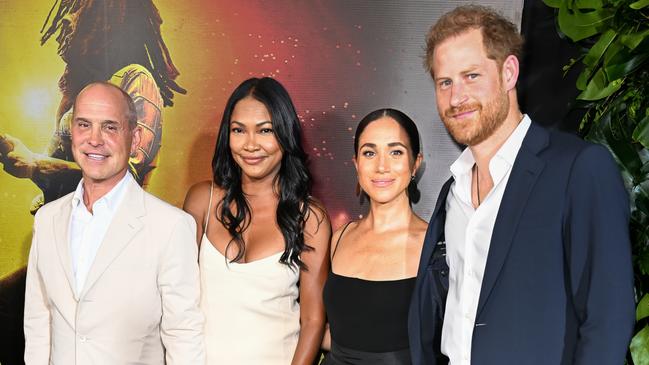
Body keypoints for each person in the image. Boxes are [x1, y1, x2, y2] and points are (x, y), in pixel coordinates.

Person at [408, 5, 635, 365]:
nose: (456, 98)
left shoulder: (578, 169)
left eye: (471, 76)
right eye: (445, 82)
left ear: (509, 72)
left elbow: (608, 317)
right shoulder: (452, 192)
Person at [0, 2, 184, 362]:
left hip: (113, 262)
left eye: (77, 10)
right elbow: (64, 186)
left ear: (106, 18)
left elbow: (122, 181)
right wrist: (19, 156)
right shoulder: (81, 95)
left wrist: (33, 164)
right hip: (64, 256)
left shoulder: (136, 80)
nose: (66, 22)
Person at [23, 82, 204, 364]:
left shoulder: (171, 227)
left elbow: (183, 335)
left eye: (109, 127)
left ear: (134, 136)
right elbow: (39, 321)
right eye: (84, 125)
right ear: (72, 133)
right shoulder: (48, 219)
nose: (94, 139)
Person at [183, 77, 331, 364]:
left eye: (265, 131)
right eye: (239, 130)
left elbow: (313, 321)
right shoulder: (203, 200)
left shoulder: (309, 218)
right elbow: (177, 302)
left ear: (285, 135)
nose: (251, 145)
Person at [321, 108, 426, 364]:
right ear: (356, 164)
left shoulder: (434, 244)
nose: (381, 166)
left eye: (396, 152)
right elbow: (332, 332)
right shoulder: (339, 238)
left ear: (416, 163)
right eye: (370, 152)